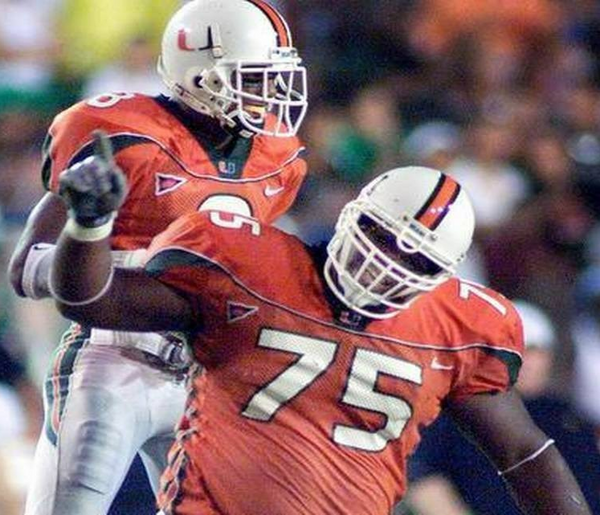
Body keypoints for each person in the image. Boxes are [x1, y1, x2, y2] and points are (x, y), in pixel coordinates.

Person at [50, 153, 591, 515]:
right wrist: (88, 225)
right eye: (380, 237)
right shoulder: (254, 265)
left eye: (415, 261)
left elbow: (524, 451)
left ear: (444, 275)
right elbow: (92, 299)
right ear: (350, 215)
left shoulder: (456, 329)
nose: (387, 264)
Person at [7, 1, 308, 514]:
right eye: (254, 78)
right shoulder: (119, 131)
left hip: (205, 373)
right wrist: (97, 246)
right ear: (199, 71)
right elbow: (26, 270)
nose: (270, 95)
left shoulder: (277, 158)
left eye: (273, 78)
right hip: (110, 361)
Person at [403, 300, 600, 515]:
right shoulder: (456, 414)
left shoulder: (572, 418)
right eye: (516, 351)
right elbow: (424, 480)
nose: (525, 361)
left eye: (534, 350)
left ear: (549, 356)